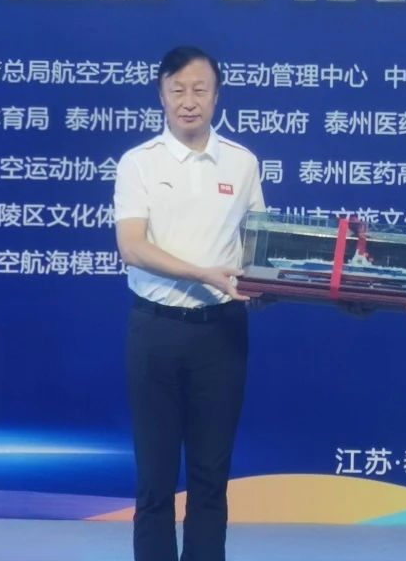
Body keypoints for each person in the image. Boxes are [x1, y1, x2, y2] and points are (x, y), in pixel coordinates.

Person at [114, 45, 264, 561]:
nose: (188, 100)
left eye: (199, 89)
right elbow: (132, 246)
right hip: (155, 332)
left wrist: (269, 287)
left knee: (210, 480)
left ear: (217, 96)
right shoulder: (139, 163)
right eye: (177, 89)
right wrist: (202, 272)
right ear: (161, 95)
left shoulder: (242, 163)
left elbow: (258, 249)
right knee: (155, 480)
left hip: (221, 334)